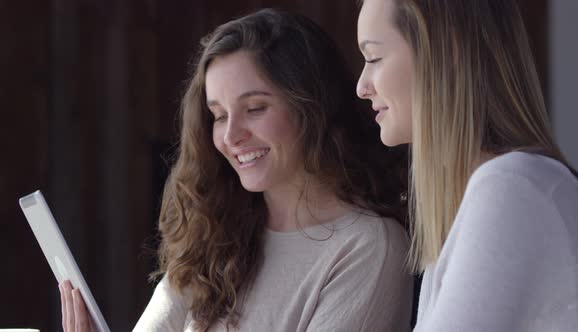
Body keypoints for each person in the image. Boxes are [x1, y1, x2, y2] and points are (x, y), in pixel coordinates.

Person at [59, 8, 414, 332]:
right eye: (219, 115)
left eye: (255, 108)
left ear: (314, 106)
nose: (231, 136)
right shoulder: (214, 231)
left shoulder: (368, 247)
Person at [356, 0, 578, 331]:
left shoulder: (512, 187)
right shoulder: (476, 198)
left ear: (447, 50)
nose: (362, 87)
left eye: (374, 58)